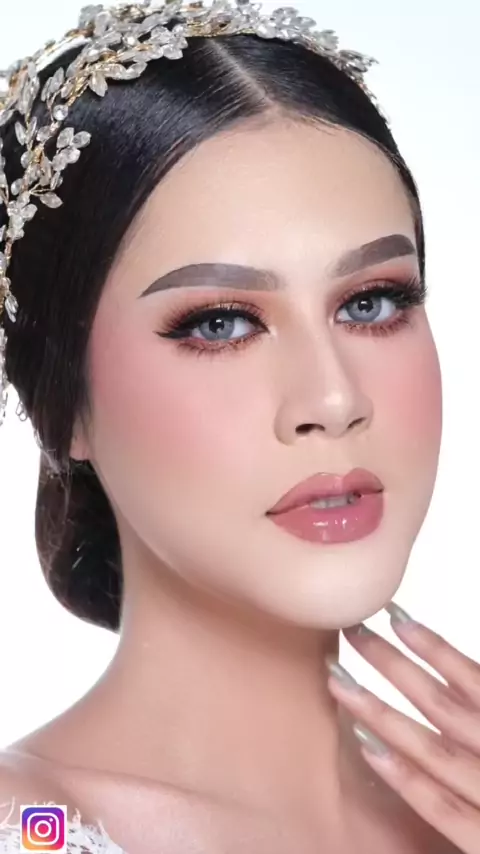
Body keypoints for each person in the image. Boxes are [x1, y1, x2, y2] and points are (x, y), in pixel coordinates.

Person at [0, 1, 463, 851]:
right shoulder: (32, 832)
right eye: (220, 323)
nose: (334, 399)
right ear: (62, 405)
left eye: (371, 302)